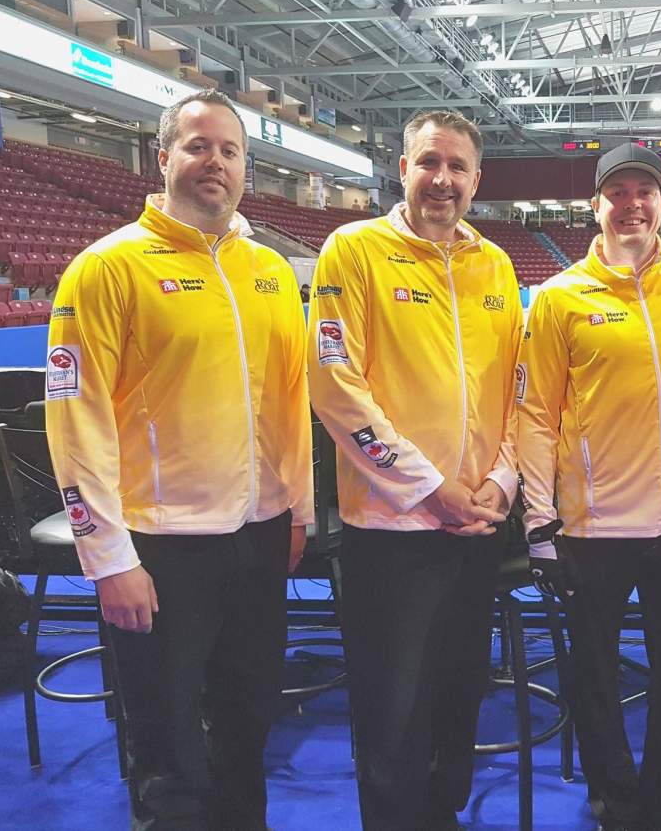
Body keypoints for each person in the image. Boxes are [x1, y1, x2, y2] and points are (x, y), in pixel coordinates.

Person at [45, 89, 313, 830]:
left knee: (247, 723)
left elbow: (290, 403)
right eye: (198, 146)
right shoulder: (106, 268)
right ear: (162, 158)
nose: (215, 162)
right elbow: (76, 421)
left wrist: (298, 512)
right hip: (159, 550)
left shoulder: (268, 272)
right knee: (166, 752)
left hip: (259, 537)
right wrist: (108, 556)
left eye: (230, 150)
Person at [306, 109, 521, 830]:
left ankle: (443, 814)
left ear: (477, 180)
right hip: (393, 525)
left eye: (458, 167)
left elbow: (517, 393)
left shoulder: (495, 263)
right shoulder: (354, 250)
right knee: (392, 706)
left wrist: (501, 482)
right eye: (430, 162)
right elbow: (336, 385)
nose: (443, 179)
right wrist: (432, 488)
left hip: (477, 522)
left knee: (461, 689)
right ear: (402, 168)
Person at [518, 143, 661, 831]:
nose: (632, 204)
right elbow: (533, 413)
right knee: (595, 676)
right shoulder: (558, 299)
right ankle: (615, 798)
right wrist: (539, 516)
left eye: (645, 191)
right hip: (592, 527)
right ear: (596, 206)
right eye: (618, 192)